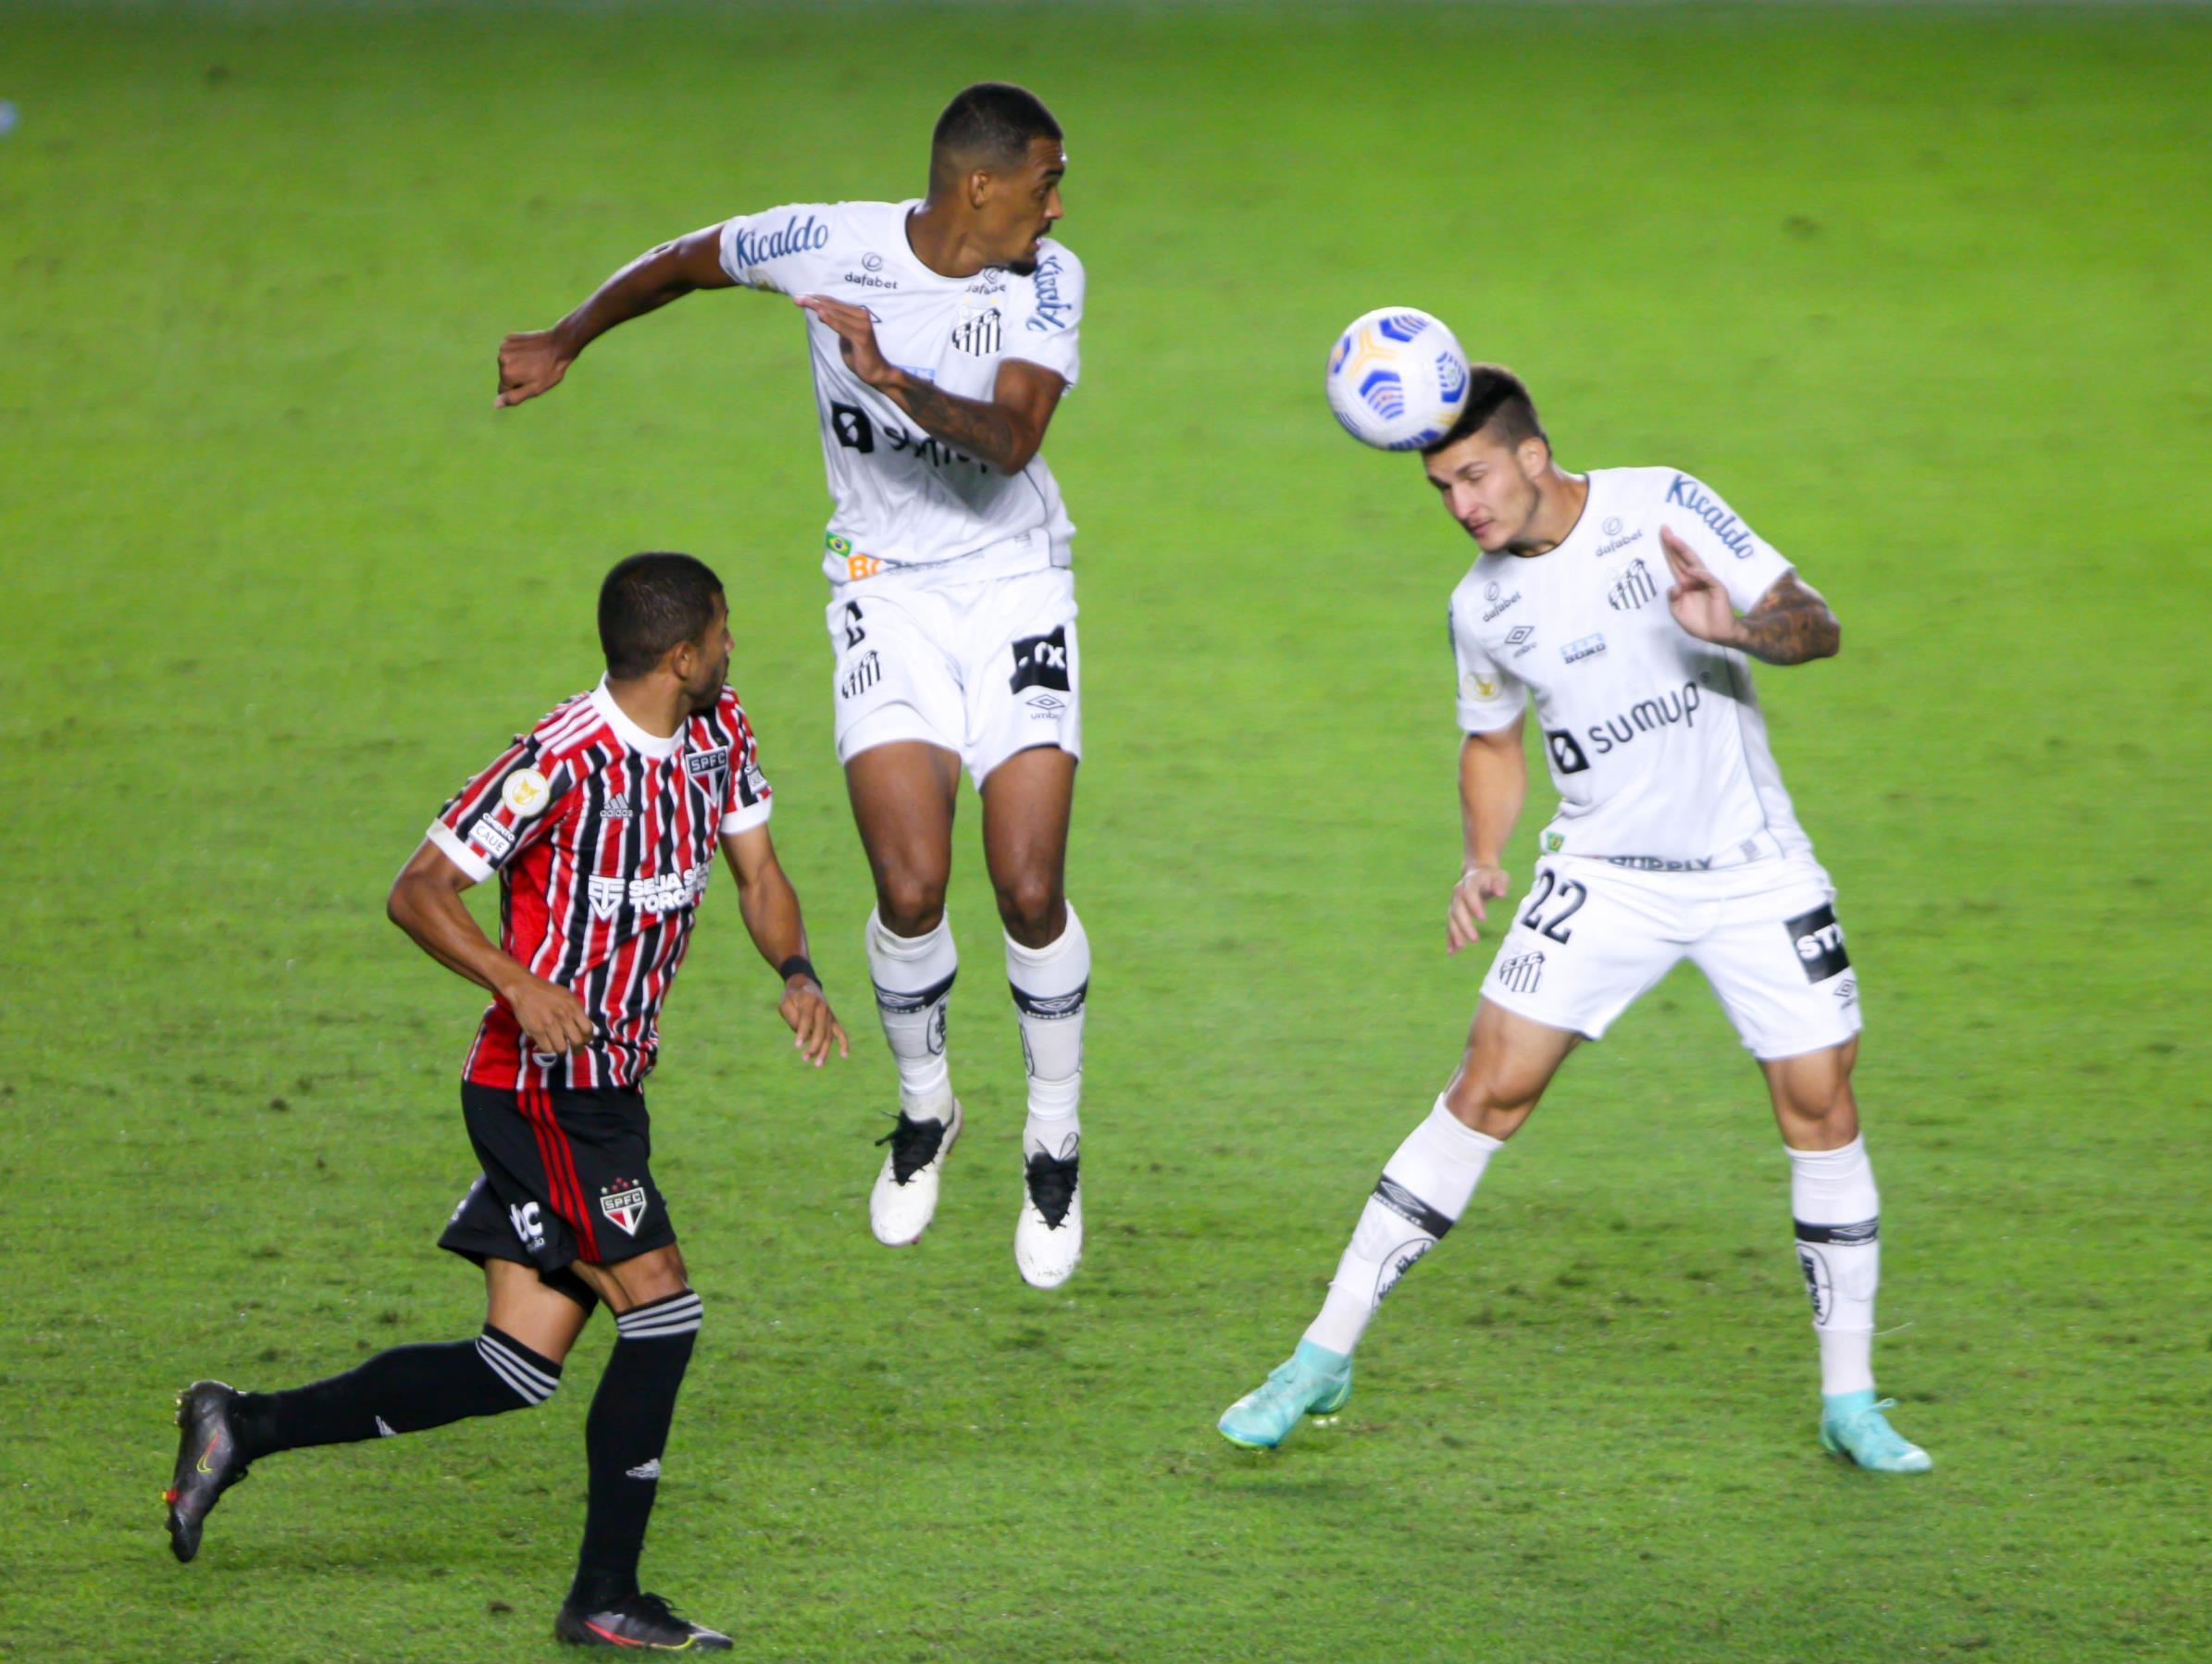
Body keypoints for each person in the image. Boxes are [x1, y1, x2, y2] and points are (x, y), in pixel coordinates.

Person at [1218, 367, 1930, 1472]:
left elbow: (1817, 625)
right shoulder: (1480, 604)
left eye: (1474, 476)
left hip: (1752, 870)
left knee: (1819, 1101)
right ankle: (1319, 1355)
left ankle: (1851, 1398)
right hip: (1602, 874)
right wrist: (1484, 856)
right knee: (1485, 1091)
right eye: (1442, 488)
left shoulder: (1664, 506)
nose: (1463, 506)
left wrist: (1730, 626)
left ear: (1533, 454)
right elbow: (1494, 741)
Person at [164, 553, 849, 1651]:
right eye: (722, 633)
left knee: (512, 1364)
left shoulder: (719, 735)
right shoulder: (557, 761)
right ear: (682, 654)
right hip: (542, 1090)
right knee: (662, 1310)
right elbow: (418, 888)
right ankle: (605, 1596)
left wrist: (798, 972)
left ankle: (240, 1424)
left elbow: (759, 873)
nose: (733, 649)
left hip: (609, 1090)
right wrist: (518, 982)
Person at [492, 81, 1091, 1287]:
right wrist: (569, 335)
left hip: (1015, 579)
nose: (1058, 203)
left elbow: (1015, 437)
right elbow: (687, 259)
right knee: (911, 884)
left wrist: (885, 378)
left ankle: (1056, 1134)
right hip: (884, 590)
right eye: (1044, 179)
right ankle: (928, 1114)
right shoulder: (828, 243)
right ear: (979, 184)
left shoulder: (1048, 279)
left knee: (1028, 886)